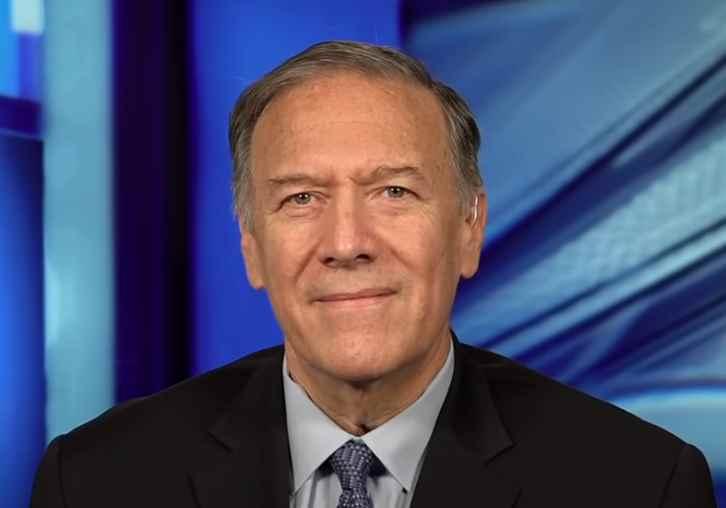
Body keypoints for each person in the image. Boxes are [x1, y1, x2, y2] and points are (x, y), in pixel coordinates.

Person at [31, 41, 716, 508]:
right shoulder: (95, 482)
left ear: (468, 227)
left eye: (394, 192)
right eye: (302, 198)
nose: (347, 243)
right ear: (251, 246)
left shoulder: (639, 486)